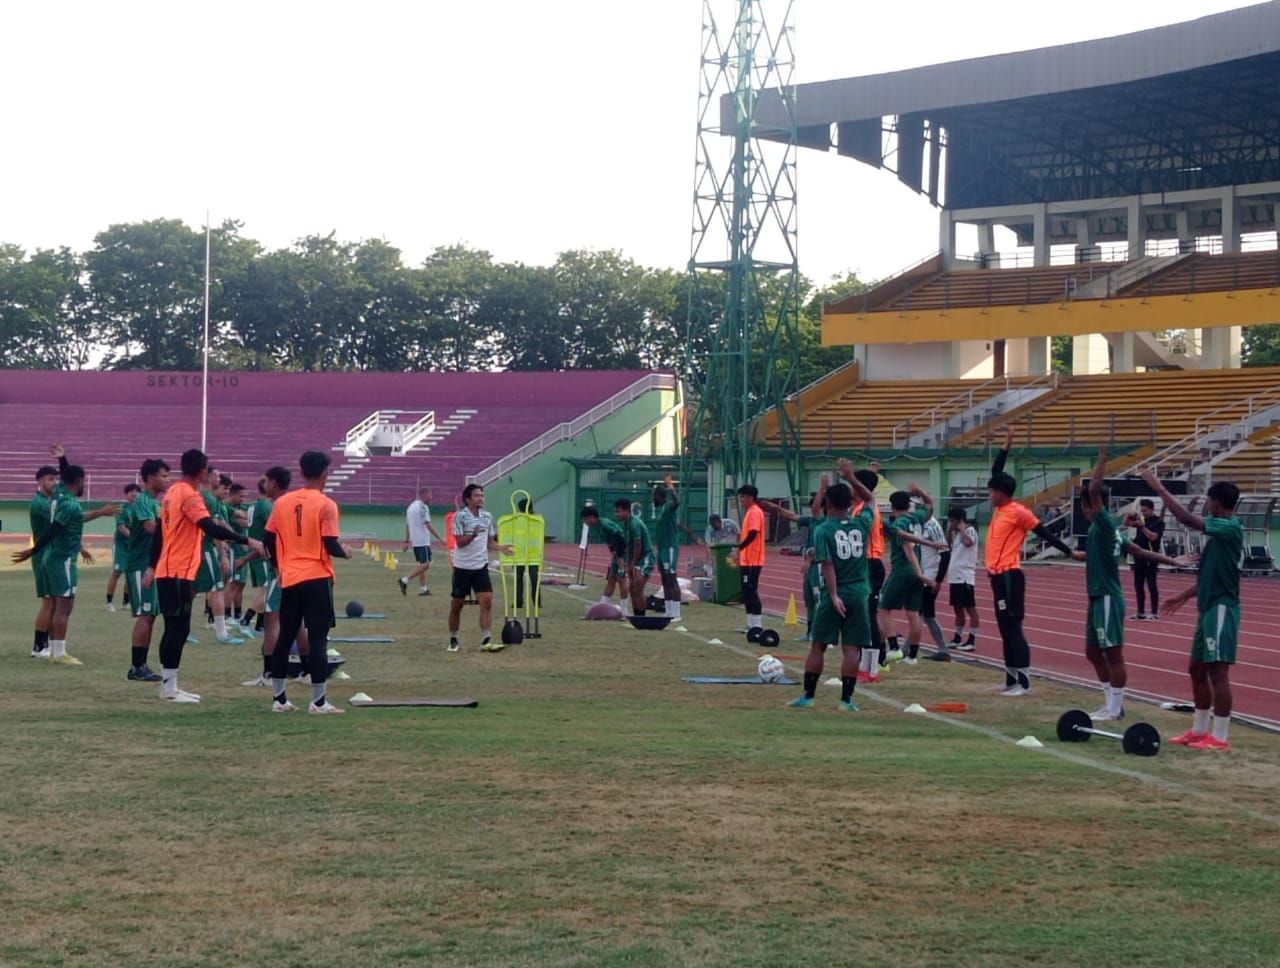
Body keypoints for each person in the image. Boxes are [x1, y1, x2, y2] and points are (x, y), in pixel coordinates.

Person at [144, 449, 262, 703]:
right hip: (178, 571)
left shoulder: (172, 493)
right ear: (201, 471)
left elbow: (160, 534)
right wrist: (247, 540)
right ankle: (169, 689)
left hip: (169, 569)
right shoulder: (190, 496)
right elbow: (209, 526)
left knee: (174, 628)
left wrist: (153, 565)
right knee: (178, 628)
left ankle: (169, 686)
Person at [1080, 449, 1189, 721]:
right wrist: (1171, 559)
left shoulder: (1103, 523)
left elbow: (1095, 490)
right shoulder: (1109, 529)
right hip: (1097, 596)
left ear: (1094, 505)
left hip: (1106, 596)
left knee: (1112, 653)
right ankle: (1110, 704)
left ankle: (1115, 708)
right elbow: (1140, 552)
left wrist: (1102, 461)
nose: (1085, 509)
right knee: (1093, 652)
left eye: (1087, 504)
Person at [1140, 467, 1243, 751]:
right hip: (1208, 607)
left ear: (1218, 504)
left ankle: (1220, 737)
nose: (1207, 507)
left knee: (1218, 672)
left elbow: (1186, 519)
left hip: (1222, 608)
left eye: (1209, 502)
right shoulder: (1219, 535)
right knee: (1196, 669)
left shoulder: (1230, 528)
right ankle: (1199, 730)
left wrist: (1159, 489)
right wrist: (1183, 596)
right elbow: (1212, 574)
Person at [986, 427, 1083, 696]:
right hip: (996, 576)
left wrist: (1069, 552)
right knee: (1004, 628)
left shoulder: (1018, 512)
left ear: (1003, 493)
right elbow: (997, 471)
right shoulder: (1000, 509)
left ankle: (1024, 683)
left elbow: (1044, 532)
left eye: (992, 492)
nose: (989, 496)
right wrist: (1006, 445)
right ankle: (1010, 679)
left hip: (1010, 576)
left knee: (1013, 627)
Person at [264, 451, 350, 714]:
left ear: (301, 473)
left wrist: (278, 567)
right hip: (316, 576)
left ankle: (279, 699)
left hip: (290, 577)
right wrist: (345, 551)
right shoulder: (326, 504)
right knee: (318, 639)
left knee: (285, 636)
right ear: (325, 473)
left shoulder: (282, 503)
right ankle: (318, 701)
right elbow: (330, 543)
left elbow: (268, 539)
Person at [12, 464, 117, 666]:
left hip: (55, 556)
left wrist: (62, 458)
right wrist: (32, 551)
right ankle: (57, 651)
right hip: (61, 558)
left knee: (56, 604)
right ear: (79, 481)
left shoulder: (60, 496)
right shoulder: (67, 503)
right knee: (63, 605)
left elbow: (72, 521)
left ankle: (52, 648)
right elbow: (54, 529)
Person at [787, 476, 876, 712]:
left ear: (829, 503)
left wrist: (834, 595)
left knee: (818, 645)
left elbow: (827, 564)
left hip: (836, 591)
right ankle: (846, 700)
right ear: (849, 503)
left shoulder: (824, 529)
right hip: (858, 591)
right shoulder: (861, 523)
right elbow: (870, 499)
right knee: (851, 648)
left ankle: (808, 696)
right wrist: (851, 477)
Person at [241, 467, 298, 689]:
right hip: (300, 570)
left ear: (273, 483)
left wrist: (276, 567)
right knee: (298, 620)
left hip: (283, 570)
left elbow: (270, 541)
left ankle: (269, 673)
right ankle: (305, 669)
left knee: (271, 620)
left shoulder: (277, 507)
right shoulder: (294, 505)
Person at [878, 485, 947, 665]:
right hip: (918, 569)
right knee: (913, 613)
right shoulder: (916, 518)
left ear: (892, 507)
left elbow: (907, 549)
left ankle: (893, 647)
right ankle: (912, 656)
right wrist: (921, 491)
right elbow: (930, 505)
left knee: (884, 608)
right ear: (909, 505)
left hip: (903, 569)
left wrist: (920, 574)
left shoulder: (899, 524)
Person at [448, 483, 511, 653]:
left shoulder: (488, 517)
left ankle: (486, 640)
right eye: (477, 495)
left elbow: (490, 542)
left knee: (487, 601)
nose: (481, 498)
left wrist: (502, 548)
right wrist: (473, 535)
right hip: (462, 566)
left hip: (481, 566)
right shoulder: (459, 517)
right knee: (457, 604)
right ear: (468, 499)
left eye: (482, 495)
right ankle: (453, 638)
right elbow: (459, 543)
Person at [838, 460, 887, 676]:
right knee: (863, 615)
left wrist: (853, 478)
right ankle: (865, 664)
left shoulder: (866, 510)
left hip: (869, 564)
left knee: (868, 616)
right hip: (864, 564)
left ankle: (873, 666)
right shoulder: (859, 508)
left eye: (854, 485)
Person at [124, 459, 170, 682]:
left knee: (150, 615)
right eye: (164, 476)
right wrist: (175, 530)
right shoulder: (143, 500)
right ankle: (136, 667)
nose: (167, 480)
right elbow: (150, 527)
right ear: (151, 477)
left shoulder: (155, 502)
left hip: (151, 564)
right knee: (145, 614)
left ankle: (141, 665)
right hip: (140, 564)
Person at [27, 461, 62, 659]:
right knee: (48, 601)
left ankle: (47, 643)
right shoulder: (39, 503)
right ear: (40, 481)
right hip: (42, 556)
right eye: (50, 479)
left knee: (54, 602)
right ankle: (38, 646)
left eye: (55, 479)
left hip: (52, 555)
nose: (54, 483)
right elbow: (59, 519)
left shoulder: (50, 500)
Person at [581, 504, 630, 611]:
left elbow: (619, 537)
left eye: (586, 519)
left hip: (623, 552)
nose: (585, 522)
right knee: (611, 578)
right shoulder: (598, 527)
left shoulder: (605, 524)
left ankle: (624, 609)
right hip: (616, 554)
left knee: (621, 579)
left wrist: (620, 558)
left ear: (592, 517)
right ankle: (602, 605)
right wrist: (613, 554)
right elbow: (610, 541)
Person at [733, 484, 767, 635]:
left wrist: (740, 547)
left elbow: (753, 533)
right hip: (746, 560)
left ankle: (757, 625)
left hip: (753, 560)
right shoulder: (749, 512)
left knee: (751, 590)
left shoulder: (754, 512)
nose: (741, 499)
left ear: (750, 497)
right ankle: (750, 624)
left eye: (743, 496)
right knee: (746, 591)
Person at [946, 507, 980, 652]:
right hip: (954, 576)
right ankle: (957, 637)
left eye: (952, 522)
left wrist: (962, 529)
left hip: (965, 577)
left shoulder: (969, 531)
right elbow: (949, 546)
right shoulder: (956, 535)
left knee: (970, 609)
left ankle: (971, 640)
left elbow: (968, 543)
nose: (951, 524)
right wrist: (949, 532)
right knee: (957, 609)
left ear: (959, 521)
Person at [1126, 498, 1166, 621]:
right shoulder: (1141, 519)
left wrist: (1142, 527)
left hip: (1151, 555)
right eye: (1142, 511)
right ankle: (1140, 612)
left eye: (1146, 511)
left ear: (1152, 509)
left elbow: (1153, 537)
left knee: (1151, 584)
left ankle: (1154, 613)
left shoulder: (1158, 522)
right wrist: (1129, 515)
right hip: (1139, 555)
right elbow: (1126, 524)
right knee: (1138, 584)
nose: (1143, 513)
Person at [400, 486, 443, 596]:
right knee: (426, 565)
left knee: (423, 564)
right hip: (422, 540)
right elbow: (428, 524)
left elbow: (408, 525)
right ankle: (405, 579)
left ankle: (423, 588)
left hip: (416, 541)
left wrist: (406, 541)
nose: (431, 499)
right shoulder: (423, 507)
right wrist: (440, 539)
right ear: (423, 495)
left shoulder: (410, 507)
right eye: (429, 497)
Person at [615, 498, 654, 616]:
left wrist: (633, 563)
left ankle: (642, 617)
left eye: (618, 511)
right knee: (632, 588)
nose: (616, 514)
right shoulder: (627, 524)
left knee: (638, 586)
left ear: (627, 511)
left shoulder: (634, 523)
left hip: (645, 556)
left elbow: (638, 544)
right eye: (616, 511)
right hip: (636, 558)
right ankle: (637, 616)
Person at [652, 476, 683, 622]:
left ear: (660, 496)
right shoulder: (660, 510)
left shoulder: (669, 506)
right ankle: (669, 611)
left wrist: (671, 487)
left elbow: (678, 502)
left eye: (655, 496)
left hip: (670, 548)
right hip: (662, 549)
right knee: (664, 580)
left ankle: (677, 613)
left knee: (672, 579)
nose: (654, 499)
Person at [106, 484, 139, 611]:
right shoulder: (121, 509)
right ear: (126, 494)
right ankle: (109, 601)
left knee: (130, 573)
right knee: (117, 572)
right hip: (121, 545)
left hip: (133, 547)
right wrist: (134, 539)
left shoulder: (140, 509)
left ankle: (126, 602)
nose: (134, 494)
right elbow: (121, 527)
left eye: (136, 491)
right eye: (131, 491)